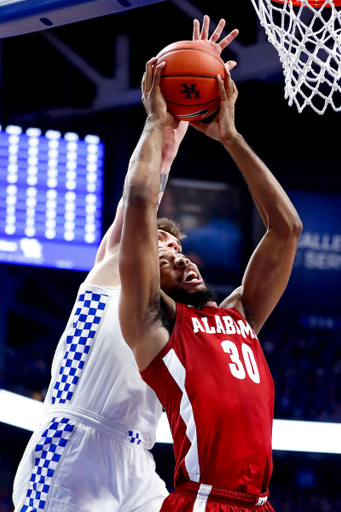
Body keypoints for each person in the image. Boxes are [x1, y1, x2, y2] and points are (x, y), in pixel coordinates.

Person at [118, 16, 303, 512]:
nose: (183, 261)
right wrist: (158, 122)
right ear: (145, 280)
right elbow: (139, 203)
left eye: (181, 252)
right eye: (165, 259)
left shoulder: (237, 316)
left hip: (261, 503)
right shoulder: (155, 325)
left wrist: (230, 137)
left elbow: (286, 229)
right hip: (202, 501)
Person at [11, 120, 189, 512]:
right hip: (75, 442)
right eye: (161, 239)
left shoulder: (170, 322)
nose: (173, 248)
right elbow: (137, 197)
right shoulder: (112, 272)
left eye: (177, 245)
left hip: (139, 458)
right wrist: (167, 127)